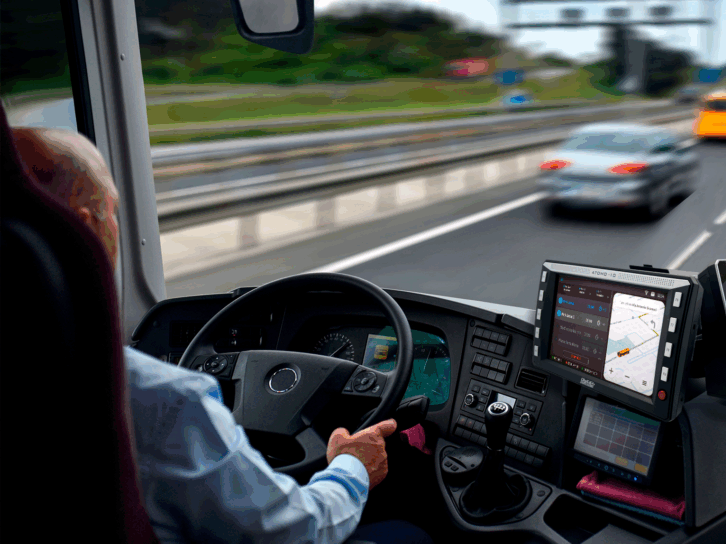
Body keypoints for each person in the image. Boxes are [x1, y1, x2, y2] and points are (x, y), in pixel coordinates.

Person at [10, 126, 432, 544]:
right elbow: (296, 532)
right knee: (409, 534)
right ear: (82, 230)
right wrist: (352, 467)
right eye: (114, 213)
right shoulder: (165, 400)